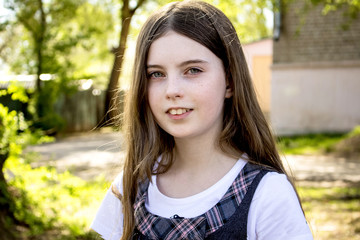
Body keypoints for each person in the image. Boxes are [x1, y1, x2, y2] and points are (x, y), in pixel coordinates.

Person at [91, 1, 313, 239]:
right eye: (156, 74)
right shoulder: (130, 188)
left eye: (193, 70)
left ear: (229, 81)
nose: (172, 90)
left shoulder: (268, 194)